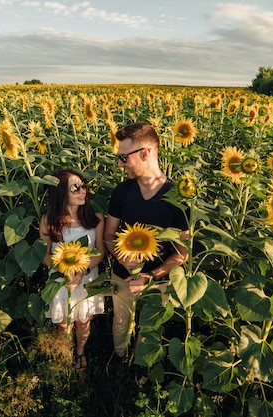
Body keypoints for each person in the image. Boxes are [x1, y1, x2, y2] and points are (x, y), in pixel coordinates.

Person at [104, 122, 189, 361]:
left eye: (123, 158)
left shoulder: (176, 197)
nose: (120, 165)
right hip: (122, 274)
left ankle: (141, 369)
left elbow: (184, 252)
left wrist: (151, 276)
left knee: (150, 330)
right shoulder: (122, 192)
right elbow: (109, 235)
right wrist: (120, 257)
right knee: (121, 323)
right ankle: (120, 363)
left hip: (158, 281)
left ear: (145, 153)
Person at [39, 168, 105, 371]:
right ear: (61, 193)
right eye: (75, 187)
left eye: (83, 185)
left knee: (83, 320)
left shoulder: (96, 219)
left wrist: (81, 272)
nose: (82, 190)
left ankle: (80, 352)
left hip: (86, 278)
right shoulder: (49, 221)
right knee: (63, 323)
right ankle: (64, 353)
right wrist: (64, 270)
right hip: (61, 279)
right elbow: (44, 254)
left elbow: (100, 252)